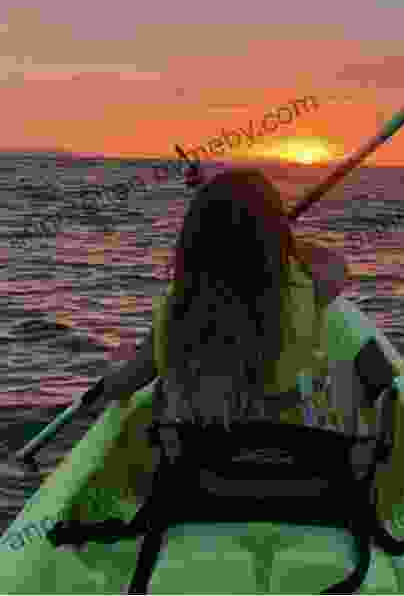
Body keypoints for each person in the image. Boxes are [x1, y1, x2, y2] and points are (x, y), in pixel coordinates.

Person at [94, 168, 359, 479]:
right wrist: (273, 235)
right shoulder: (309, 287)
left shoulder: (178, 308)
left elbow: (122, 385)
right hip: (295, 477)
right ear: (274, 237)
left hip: (202, 486)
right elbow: (338, 266)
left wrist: (117, 366)